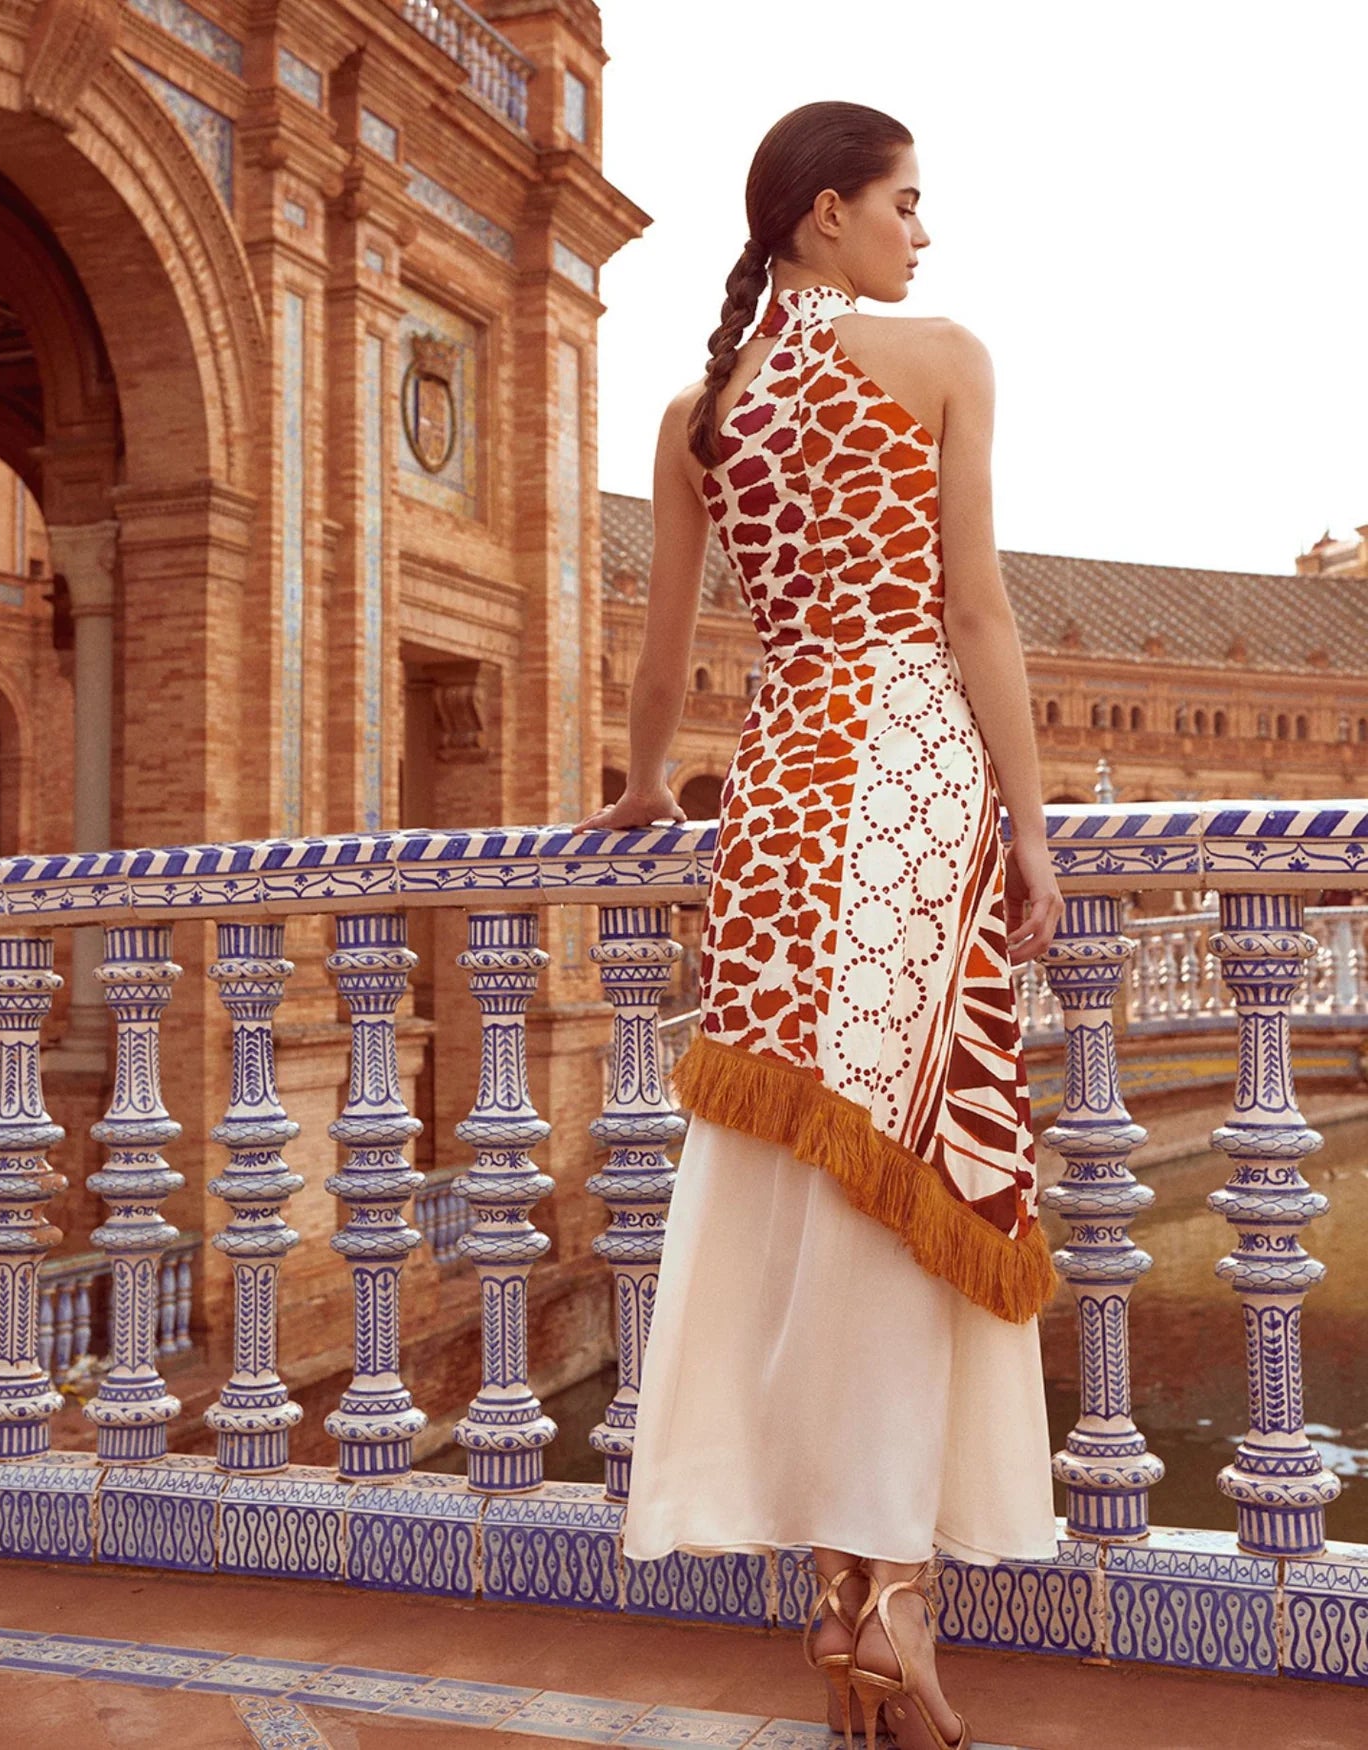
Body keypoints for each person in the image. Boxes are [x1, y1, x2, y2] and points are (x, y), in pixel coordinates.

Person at [575, 100, 1065, 1750]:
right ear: (826, 216)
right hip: (914, 787)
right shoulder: (940, 359)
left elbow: (659, 664)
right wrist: (1037, 824)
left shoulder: (699, 408)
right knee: (915, 1164)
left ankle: (844, 1594)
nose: (924, 234)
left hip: (779, 806)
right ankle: (891, 1598)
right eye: (907, 202)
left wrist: (646, 782)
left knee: (809, 1180)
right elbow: (975, 608)